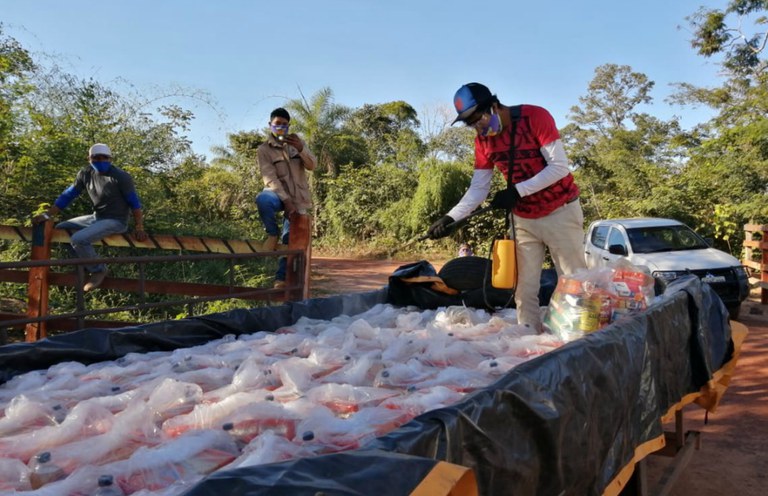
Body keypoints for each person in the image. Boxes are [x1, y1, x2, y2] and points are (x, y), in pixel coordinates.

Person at [427, 83, 586, 332]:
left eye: (478, 118)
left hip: (560, 210)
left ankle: (579, 337)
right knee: (524, 289)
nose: (478, 127)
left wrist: (516, 191)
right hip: (523, 218)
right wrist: (451, 218)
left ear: (494, 105)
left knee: (575, 282)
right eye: (470, 123)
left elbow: (559, 167)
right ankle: (529, 339)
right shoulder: (483, 142)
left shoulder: (535, 117)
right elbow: (479, 189)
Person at [32, 143, 148, 291]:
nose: (100, 161)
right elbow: (68, 195)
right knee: (62, 229)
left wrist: (139, 226)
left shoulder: (121, 177)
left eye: (104, 158)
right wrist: (47, 214)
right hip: (97, 217)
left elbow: (134, 203)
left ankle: (98, 269)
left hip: (116, 220)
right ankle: (85, 264)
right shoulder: (85, 174)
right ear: (89, 159)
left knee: (79, 239)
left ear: (110, 159)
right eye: (96, 158)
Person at [256, 108, 316, 288]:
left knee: (290, 238)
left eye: (284, 124)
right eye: (277, 124)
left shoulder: (297, 144)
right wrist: (286, 201)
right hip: (276, 194)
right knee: (263, 200)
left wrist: (301, 149)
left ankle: (281, 279)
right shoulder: (264, 149)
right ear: (270, 125)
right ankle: (271, 233)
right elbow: (269, 178)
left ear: (288, 126)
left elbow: (313, 165)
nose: (280, 127)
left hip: (298, 198)